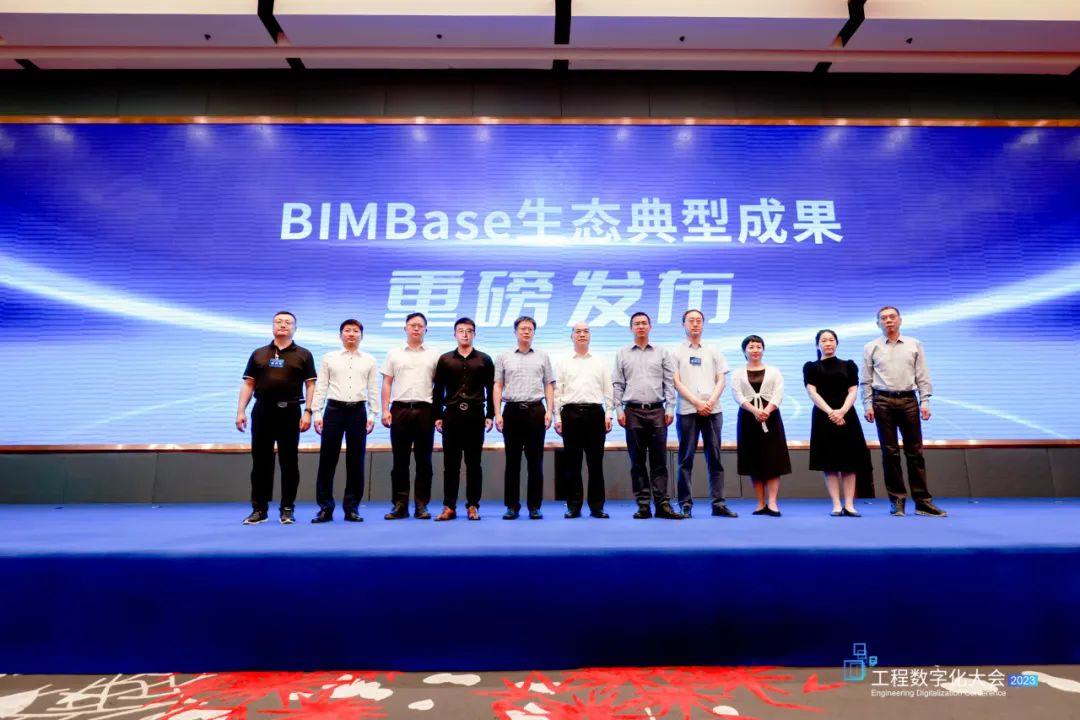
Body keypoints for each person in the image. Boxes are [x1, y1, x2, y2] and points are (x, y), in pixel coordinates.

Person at [862, 306, 947, 517]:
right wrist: (867, 405)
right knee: (889, 453)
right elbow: (866, 379)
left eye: (892, 317)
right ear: (878, 323)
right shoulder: (871, 347)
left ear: (900, 320)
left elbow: (922, 375)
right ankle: (897, 501)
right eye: (884, 318)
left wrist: (925, 401)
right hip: (882, 401)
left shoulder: (914, 344)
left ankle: (923, 502)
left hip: (909, 400)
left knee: (915, 453)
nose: (888, 320)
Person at [236, 311, 316, 525]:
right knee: (260, 462)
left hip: (290, 412)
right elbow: (249, 384)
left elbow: (311, 385)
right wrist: (241, 411)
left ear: (295, 328)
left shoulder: (304, 354)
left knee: (289, 462)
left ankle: (287, 509)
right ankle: (259, 510)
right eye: (279, 321)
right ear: (272, 326)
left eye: (288, 322)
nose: (283, 325)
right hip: (262, 411)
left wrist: (309, 411)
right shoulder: (259, 353)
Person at [613, 311, 684, 520]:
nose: (641, 326)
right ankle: (643, 505)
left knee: (659, 461)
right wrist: (619, 410)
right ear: (631, 328)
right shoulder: (622, 353)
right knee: (637, 462)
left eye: (644, 323)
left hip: (657, 411)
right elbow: (617, 384)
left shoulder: (662, 352)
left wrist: (670, 408)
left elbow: (669, 382)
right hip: (632, 411)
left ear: (650, 327)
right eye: (637, 324)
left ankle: (662, 505)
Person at [309, 319, 379, 523]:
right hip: (334, 410)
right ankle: (325, 508)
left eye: (356, 331)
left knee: (356, 461)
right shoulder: (329, 358)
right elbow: (321, 386)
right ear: (340, 335)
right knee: (327, 460)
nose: (351, 334)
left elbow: (373, 388)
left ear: (361, 336)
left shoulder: (369, 360)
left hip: (358, 411)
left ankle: (352, 508)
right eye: (347, 330)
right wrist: (317, 412)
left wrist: (373, 414)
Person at [671, 308, 737, 518]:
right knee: (685, 459)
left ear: (703, 324)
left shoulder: (713, 350)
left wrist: (709, 402)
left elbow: (721, 380)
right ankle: (685, 504)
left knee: (715, 458)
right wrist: (697, 402)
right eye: (691, 320)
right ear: (683, 324)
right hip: (687, 410)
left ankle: (718, 504)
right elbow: (676, 382)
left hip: (713, 410)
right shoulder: (676, 352)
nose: (695, 324)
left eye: (699, 320)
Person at [803, 329, 872, 517]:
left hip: (847, 415)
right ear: (817, 344)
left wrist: (842, 411)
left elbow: (853, 390)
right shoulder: (811, 367)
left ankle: (849, 505)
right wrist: (831, 412)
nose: (828, 343)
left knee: (849, 462)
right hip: (823, 417)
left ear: (836, 343)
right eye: (824, 340)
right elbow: (812, 392)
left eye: (831, 340)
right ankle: (836, 504)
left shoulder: (848, 365)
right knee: (830, 463)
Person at [432, 317, 495, 521]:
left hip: (476, 415)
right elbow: (438, 389)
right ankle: (449, 506)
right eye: (461, 330)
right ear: (455, 334)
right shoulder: (445, 359)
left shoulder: (484, 360)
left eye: (469, 331)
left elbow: (491, 389)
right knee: (451, 464)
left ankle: (473, 506)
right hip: (451, 415)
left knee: (474, 464)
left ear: (474, 334)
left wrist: (490, 415)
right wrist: (437, 416)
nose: (465, 334)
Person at [493, 316, 556, 520]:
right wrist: (497, 413)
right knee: (512, 462)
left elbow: (549, 384)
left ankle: (534, 506)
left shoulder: (543, 356)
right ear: (515, 332)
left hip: (535, 410)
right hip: (511, 411)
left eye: (530, 329)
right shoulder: (504, 356)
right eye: (522, 328)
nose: (526, 331)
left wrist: (550, 411)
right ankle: (512, 506)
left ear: (534, 332)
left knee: (535, 462)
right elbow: (498, 385)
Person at [381, 312, 440, 520]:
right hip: (400, 409)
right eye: (412, 325)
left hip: (425, 410)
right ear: (405, 328)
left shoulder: (434, 355)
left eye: (420, 325)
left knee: (424, 461)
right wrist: (385, 409)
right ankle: (400, 505)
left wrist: (439, 414)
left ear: (426, 329)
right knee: (400, 461)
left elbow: (439, 386)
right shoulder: (394, 353)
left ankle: (422, 505)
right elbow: (387, 382)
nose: (416, 328)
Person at [554, 322, 613, 519]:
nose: (582, 334)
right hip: (570, 413)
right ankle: (574, 506)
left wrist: (609, 413)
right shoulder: (563, 362)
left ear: (590, 336)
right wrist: (557, 416)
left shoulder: (600, 361)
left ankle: (597, 506)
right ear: (571, 336)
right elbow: (557, 391)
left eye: (586, 331)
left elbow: (608, 389)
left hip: (595, 414)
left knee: (595, 463)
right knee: (572, 464)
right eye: (578, 331)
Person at [731, 335, 791, 517]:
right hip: (748, 419)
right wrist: (755, 411)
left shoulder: (774, 371)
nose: (755, 350)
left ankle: (772, 502)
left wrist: (766, 410)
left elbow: (778, 393)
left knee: (773, 459)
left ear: (763, 350)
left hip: (771, 417)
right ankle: (760, 503)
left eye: (758, 346)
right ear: (744, 351)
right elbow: (737, 395)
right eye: (751, 347)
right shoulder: (737, 372)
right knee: (754, 460)